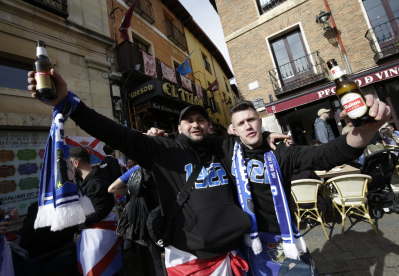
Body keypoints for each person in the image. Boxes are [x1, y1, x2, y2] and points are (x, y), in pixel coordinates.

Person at [28, 69, 285, 275]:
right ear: (180, 127)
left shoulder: (222, 147)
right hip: (192, 263)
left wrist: (263, 136)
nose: (196, 124)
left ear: (208, 126)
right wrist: (70, 104)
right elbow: (116, 134)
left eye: (201, 120)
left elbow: (247, 135)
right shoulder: (162, 150)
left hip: (237, 254)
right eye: (189, 121)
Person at [218, 99, 390, 275]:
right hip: (247, 242)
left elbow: (325, 154)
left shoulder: (282, 151)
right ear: (234, 130)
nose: (247, 126)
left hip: (284, 239)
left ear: (260, 122)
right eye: (241, 123)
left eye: (251, 120)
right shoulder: (226, 150)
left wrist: (366, 129)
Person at [69, 147, 121, 276]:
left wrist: (75, 221)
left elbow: (98, 212)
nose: (68, 169)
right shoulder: (86, 181)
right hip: (93, 237)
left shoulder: (96, 182)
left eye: (69, 164)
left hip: (99, 239)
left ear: (76, 163)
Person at [109, 165, 165, 276]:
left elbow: (112, 188)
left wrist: (135, 192)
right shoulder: (168, 164)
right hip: (172, 216)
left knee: (159, 261)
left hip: (148, 219)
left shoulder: (138, 168)